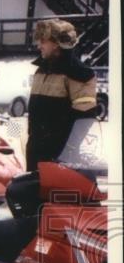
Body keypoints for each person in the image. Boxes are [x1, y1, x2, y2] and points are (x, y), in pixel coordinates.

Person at [25, 19, 97, 171]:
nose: (39, 46)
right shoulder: (42, 70)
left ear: (57, 43)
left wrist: (68, 150)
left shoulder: (79, 73)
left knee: (53, 194)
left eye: (43, 41)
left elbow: (85, 116)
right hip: (35, 150)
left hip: (59, 153)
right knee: (33, 191)